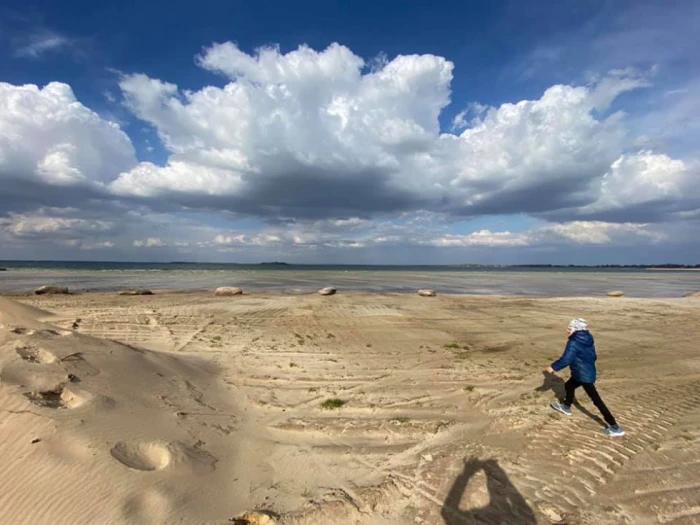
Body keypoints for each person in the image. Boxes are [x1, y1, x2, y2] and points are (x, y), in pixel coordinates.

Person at [547, 318, 625, 437]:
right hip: (584, 372)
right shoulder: (587, 339)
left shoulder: (573, 342)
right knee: (569, 385)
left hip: (583, 375)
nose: (567, 330)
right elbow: (594, 356)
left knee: (596, 400)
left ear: (576, 329)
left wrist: (553, 367)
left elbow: (566, 359)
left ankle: (615, 427)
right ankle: (566, 406)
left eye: (570, 328)